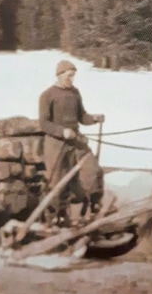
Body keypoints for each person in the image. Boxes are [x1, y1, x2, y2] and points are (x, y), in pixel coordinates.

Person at [38, 59, 105, 227]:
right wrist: (62, 131)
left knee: (92, 168)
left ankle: (94, 204)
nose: (71, 79)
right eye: (68, 76)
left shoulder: (75, 93)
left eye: (73, 76)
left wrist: (94, 118)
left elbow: (82, 116)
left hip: (75, 140)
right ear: (59, 75)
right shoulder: (47, 95)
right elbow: (44, 124)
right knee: (57, 180)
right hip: (55, 143)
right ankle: (58, 215)